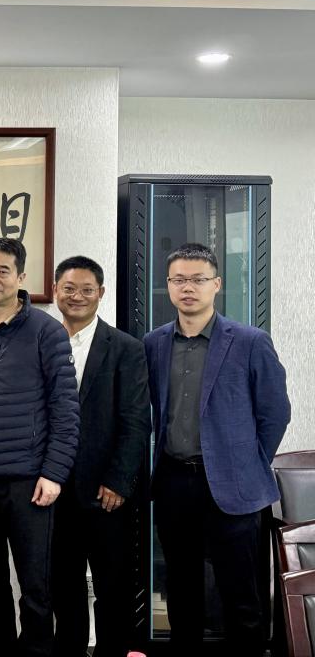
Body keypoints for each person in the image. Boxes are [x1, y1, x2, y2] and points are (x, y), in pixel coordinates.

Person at [144, 242, 290, 657]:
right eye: (179, 280)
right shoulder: (154, 343)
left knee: (241, 593)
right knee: (181, 587)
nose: (188, 288)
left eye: (198, 279)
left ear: (217, 284)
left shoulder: (249, 341)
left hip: (233, 486)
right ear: (168, 285)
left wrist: (246, 463)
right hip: (174, 481)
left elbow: (275, 413)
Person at [0, 236, 79, 657]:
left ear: (21, 277)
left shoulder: (46, 331)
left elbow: (65, 409)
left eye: (3, 270)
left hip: (30, 480)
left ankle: (38, 651)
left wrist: (54, 473)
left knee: (35, 582)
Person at [49, 256, 150, 657]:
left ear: (101, 293)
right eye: (69, 288)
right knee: (62, 583)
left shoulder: (126, 347)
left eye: (87, 289)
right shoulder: (42, 342)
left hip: (106, 491)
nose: (77, 296)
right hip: (53, 489)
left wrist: (119, 481)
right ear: (55, 291)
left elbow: (136, 420)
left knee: (113, 584)